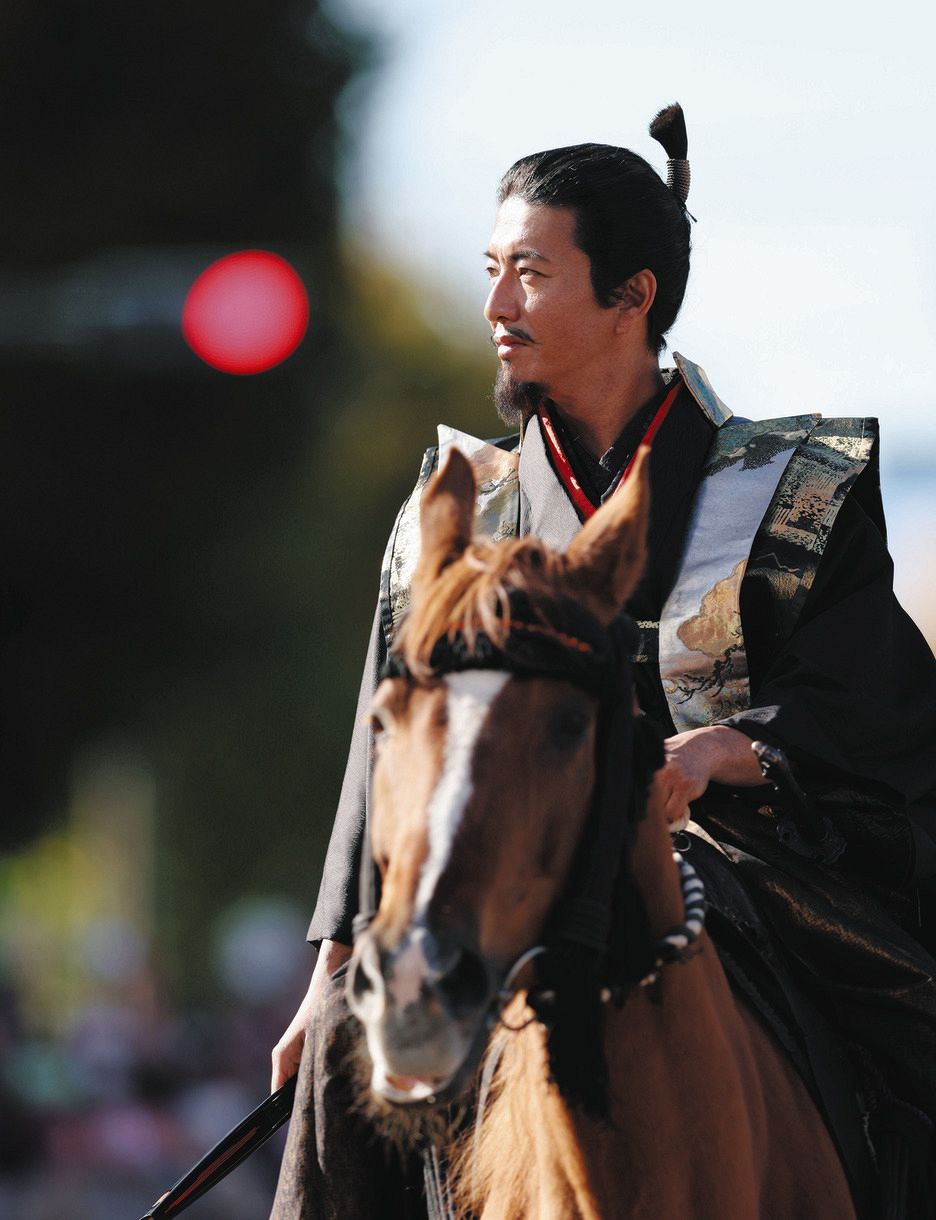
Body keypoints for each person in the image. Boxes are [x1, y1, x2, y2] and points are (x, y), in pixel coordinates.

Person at [270, 104, 936, 1216]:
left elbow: (874, 700)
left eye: (530, 274)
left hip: (742, 862)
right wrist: (333, 962)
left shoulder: (796, 490)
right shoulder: (457, 511)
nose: (496, 306)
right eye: (491, 271)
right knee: (345, 1039)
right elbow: (388, 744)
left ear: (634, 294)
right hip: (494, 864)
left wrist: (726, 751)